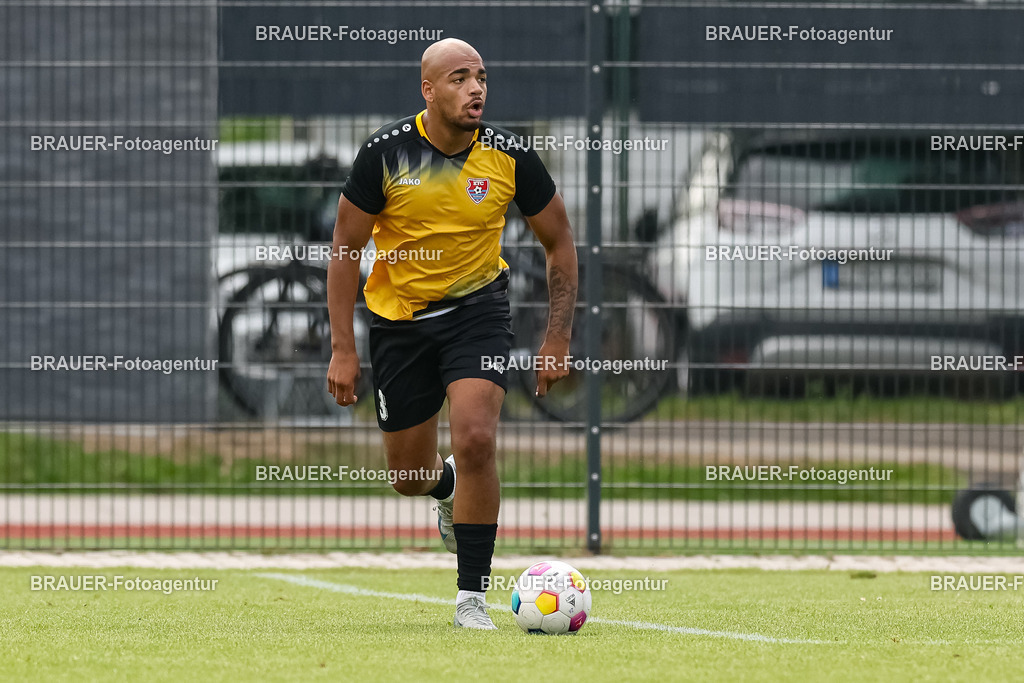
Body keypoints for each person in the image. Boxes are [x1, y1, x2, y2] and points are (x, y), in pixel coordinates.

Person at [326, 38, 577, 630]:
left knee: (475, 438)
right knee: (408, 476)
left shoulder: (510, 155)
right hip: (399, 323)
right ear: (429, 90)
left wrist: (558, 339)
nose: (476, 89)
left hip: (477, 314)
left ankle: (471, 596)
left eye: (482, 77)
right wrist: (342, 348)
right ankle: (443, 490)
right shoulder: (384, 154)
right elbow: (344, 251)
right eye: (460, 78)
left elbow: (559, 241)